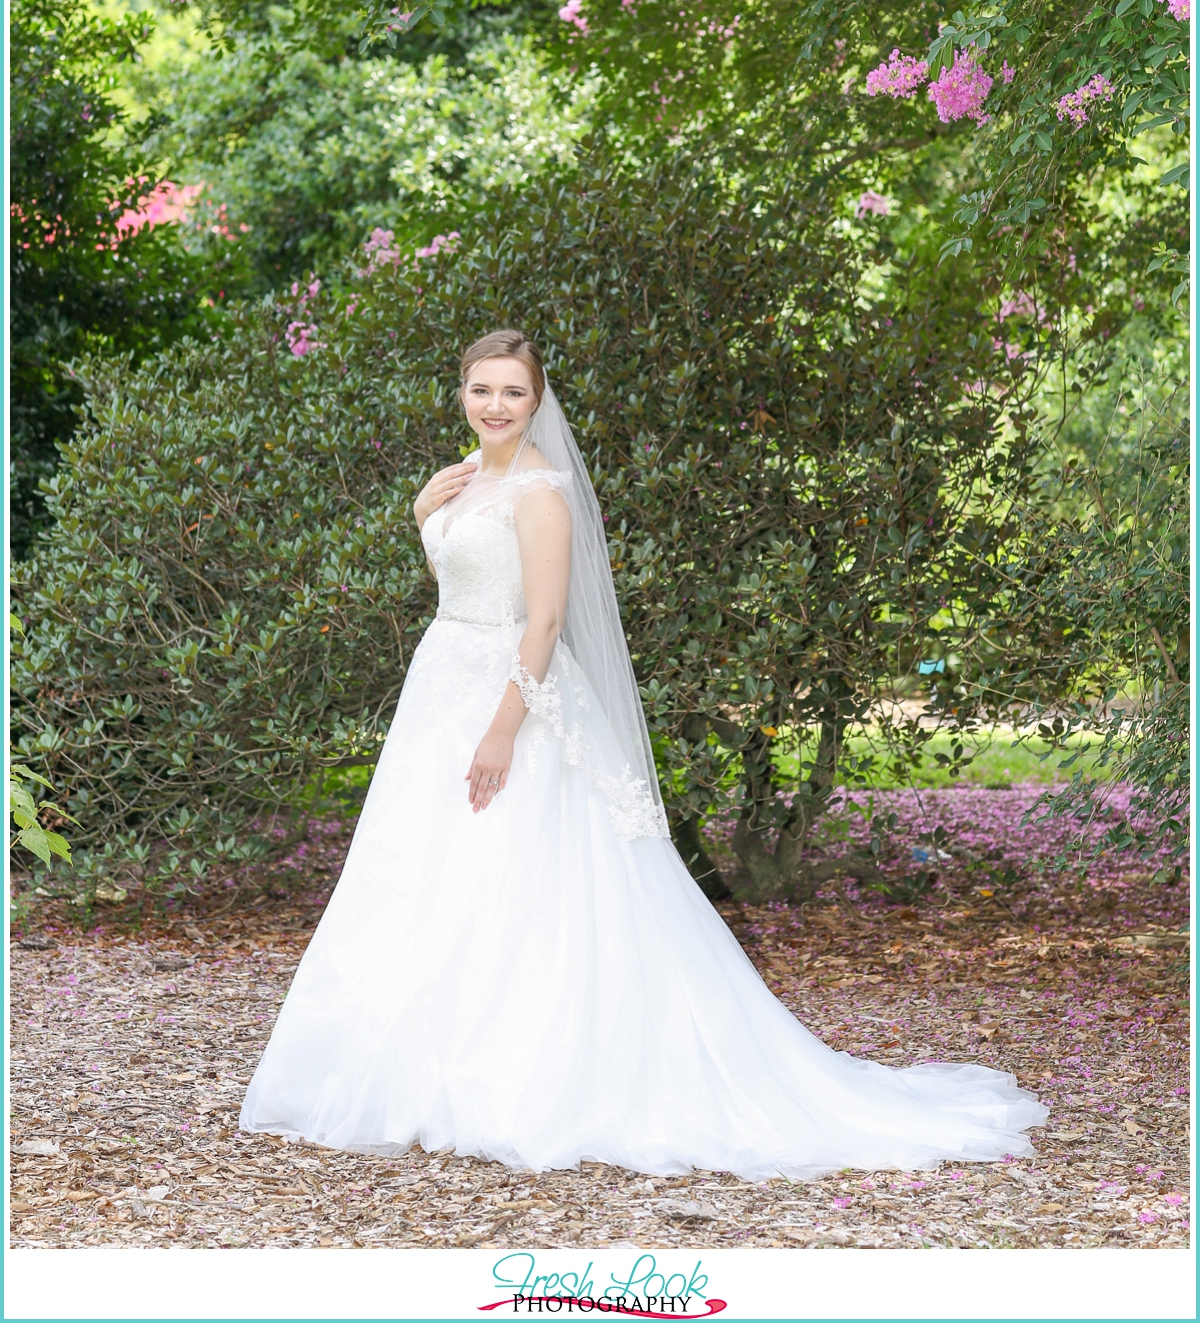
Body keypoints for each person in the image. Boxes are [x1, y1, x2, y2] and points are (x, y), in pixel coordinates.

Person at [240, 328, 1048, 1178]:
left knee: (518, 873)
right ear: (462, 393)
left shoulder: (543, 495)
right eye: (482, 389)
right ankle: (409, 1067)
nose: (496, 405)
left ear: (536, 400)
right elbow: (462, 577)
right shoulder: (460, 480)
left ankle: (515, 1071)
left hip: (510, 696)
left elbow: (543, 621)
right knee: (421, 872)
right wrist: (423, 514)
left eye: (514, 392)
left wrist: (504, 727)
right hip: (439, 686)